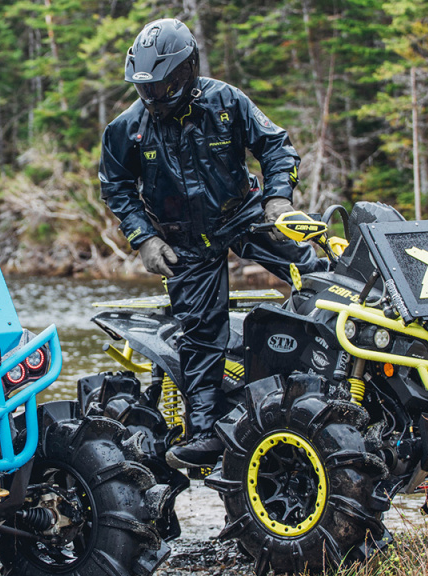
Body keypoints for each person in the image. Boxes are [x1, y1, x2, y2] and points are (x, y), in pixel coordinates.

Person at [99, 18, 328, 468]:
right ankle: (204, 431)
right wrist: (143, 238)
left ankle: (341, 376)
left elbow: (277, 147)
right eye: (145, 88)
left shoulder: (227, 102)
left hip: (245, 213)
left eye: (163, 86)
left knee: (316, 275)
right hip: (181, 237)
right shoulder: (126, 130)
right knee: (200, 332)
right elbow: (116, 187)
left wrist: (279, 200)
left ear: (187, 71)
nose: (153, 96)